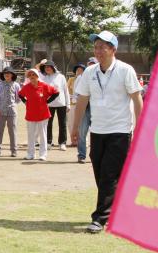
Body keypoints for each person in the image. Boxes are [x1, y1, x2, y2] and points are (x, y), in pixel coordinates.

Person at [71, 31, 143, 234]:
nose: (98, 50)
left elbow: (137, 99)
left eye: (103, 47)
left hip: (120, 130)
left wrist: (139, 127)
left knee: (109, 175)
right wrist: (75, 127)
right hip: (98, 130)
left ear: (113, 49)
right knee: (101, 172)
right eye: (96, 47)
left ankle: (99, 218)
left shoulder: (125, 70)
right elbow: (82, 100)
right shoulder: (90, 72)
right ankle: (120, 209)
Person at [18, 69, 59, 161]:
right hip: (30, 114)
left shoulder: (44, 85)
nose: (32, 76)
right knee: (31, 135)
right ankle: (30, 154)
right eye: (30, 75)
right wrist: (25, 101)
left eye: (34, 75)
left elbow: (56, 92)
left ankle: (43, 154)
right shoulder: (26, 87)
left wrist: (47, 101)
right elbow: (20, 94)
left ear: (37, 76)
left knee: (43, 134)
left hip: (43, 114)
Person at [40, 61, 70, 151]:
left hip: (61, 103)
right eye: (45, 67)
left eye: (49, 67)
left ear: (53, 67)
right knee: (48, 124)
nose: (47, 68)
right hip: (49, 104)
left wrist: (68, 104)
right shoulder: (44, 78)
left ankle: (62, 143)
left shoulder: (61, 77)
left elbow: (66, 91)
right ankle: (48, 142)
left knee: (62, 124)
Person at [0, 66, 21, 157]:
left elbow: (18, 98)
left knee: (13, 131)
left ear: (12, 75)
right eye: (5, 73)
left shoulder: (16, 85)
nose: (7, 75)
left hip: (12, 111)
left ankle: (14, 150)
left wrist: (13, 105)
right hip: (0, 111)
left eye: (9, 73)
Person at [67, 63, 86, 146]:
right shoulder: (71, 80)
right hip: (72, 103)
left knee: (82, 123)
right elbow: (67, 91)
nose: (79, 71)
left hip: (82, 104)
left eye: (81, 70)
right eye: (78, 70)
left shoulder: (86, 80)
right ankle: (73, 140)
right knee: (71, 122)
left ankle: (83, 141)